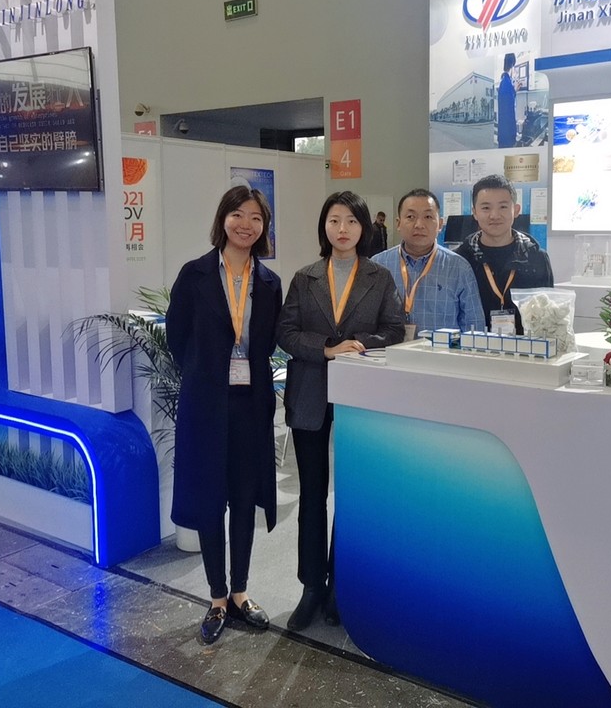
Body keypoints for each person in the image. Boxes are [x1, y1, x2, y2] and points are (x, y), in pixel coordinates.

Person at [278, 190, 405, 630]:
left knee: (350, 494)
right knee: (312, 494)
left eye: (351, 221)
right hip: (310, 393)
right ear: (324, 227)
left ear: (363, 227)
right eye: (334, 220)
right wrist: (328, 348)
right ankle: (312, 586)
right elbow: (286, 333)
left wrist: (358, 346)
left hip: (360, 398)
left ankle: (340, 586)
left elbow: (394, 330)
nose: (343, 229)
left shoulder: (379, 277)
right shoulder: (305, 277)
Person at [165, 184, 282, 645]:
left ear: (263, 227)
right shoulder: (194, 274)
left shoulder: (269, 283)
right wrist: (205, 372)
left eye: (256, 217)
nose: (246, 224)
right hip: (206, 405)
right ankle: (216, 597)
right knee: (210, 499)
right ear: (223, 219)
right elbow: (177, 337)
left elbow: (267, 343)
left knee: (244, 498)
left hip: (250, 405)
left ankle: (240, 593)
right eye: (238, 214)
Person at [372, 188, 484, 338]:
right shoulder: (378, 265)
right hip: (387, 352)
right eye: (410, 217)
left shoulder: (459, 268)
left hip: (442, 353)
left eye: (428, 216)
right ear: (398, 223)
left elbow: (474, 328)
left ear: (440, 224)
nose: (419, 224)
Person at [456, 174, 553, 335]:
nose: (494, 215)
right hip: (473, 347)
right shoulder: (460, 260)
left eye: (503, 207)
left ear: (516, 210)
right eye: (486, 208)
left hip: (526, 347)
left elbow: (547, 314)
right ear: (474, 212)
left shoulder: (537, 258)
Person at [497, 51, 517, 148]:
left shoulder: (504, 81)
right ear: (512, 66)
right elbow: (509, 110)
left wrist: (514, 90)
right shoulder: (506, 83)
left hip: (503, 134)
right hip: (507, 136)